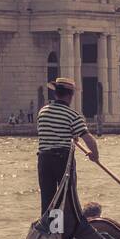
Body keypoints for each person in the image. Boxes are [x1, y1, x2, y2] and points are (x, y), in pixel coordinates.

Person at [35, 77, 100, 215]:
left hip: (44, 159)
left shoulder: (43, 112)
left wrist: (71, 134)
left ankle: (51, 229)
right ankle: (66, 230)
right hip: (62, 160)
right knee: (67, 198)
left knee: (48, 198)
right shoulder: (73, 115)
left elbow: (54, 130)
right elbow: (90, 140)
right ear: (70, 95)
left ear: (55, 93)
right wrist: (94, 155)